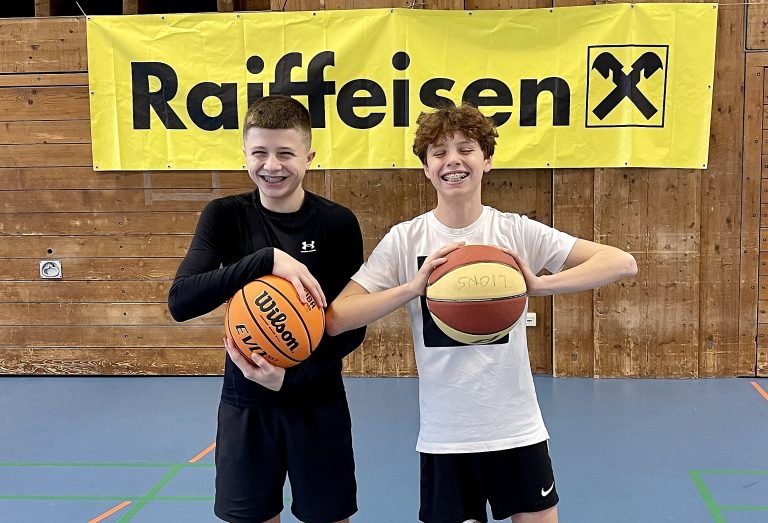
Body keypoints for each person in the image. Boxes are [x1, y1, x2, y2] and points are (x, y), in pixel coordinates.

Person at [325, 103, 637, 523]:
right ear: (426, 169)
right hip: (446, 436)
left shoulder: (514, 231)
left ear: (486, 161)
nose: (452, 160)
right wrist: (412, 288)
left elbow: (621, 262)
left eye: (465, 149)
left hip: (517, 427)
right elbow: (338, 316)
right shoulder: (405, 239)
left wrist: (540, 285)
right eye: (438, 152)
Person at [168, 95, 366, 523]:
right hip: (246, 404)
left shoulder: (337, 223)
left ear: (309, 157)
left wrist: (290, 380)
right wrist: (265, 260)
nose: (271, 165)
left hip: (318, 402)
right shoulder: (224, 216)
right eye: (259, 152)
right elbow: (181, 301)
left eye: (285, 153)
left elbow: (352, 328)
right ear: (244, 154)